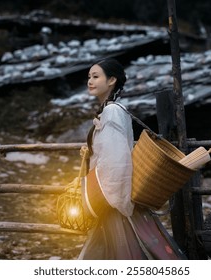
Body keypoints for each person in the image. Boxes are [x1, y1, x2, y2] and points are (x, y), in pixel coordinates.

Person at [77, 58, 187, 260]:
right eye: (89, 77)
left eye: (95, 76)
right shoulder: (112, 110)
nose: (90, 81)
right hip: (111, 193)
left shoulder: (112, 111)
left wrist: (114, 200)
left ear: (111, 80)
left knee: (123, 252)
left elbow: (117, 159)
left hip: (112, 196)